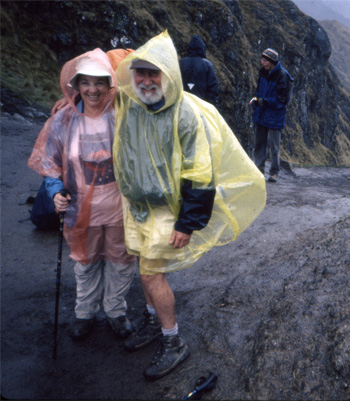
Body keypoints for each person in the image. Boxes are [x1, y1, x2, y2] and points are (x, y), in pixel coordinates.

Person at [112, 31, 266, 381]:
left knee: (152, 274)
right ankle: (152, 321)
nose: (148, 80)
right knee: (144, 268)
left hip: (167, 210)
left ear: (168, 74)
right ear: (133, 75)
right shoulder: (130, 104)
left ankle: (173, 340)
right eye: (141, 73)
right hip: (136, 207)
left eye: (155, 73)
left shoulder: (183, 115)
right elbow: (98, 75)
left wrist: (187, 222)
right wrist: (70, 101)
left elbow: (200, 171)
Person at [28, 49, 137, 341]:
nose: (93, 89)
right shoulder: (63, 120)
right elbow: (49, 164)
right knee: (86, 263)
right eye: (85, 83)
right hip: (80, 210)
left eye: (99, 82)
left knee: (120, 261)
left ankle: (116, 312)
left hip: (119, 209)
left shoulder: (122, 114)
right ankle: (84, 313)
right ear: (76, 85)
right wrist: (55, 193)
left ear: (109, 84)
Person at [250, 48, 293, 183]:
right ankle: (259, 170)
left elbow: (283, 100)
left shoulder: (282, 75)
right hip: (261, 113)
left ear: (271, 62)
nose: (261, 63)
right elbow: (259, 91)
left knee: (274, 146)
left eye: (264, 60)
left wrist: (264, 102)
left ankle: (274, 173)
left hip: (275, 116)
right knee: (259, 143)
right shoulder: (263, 72)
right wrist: (256, 102)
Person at [179, 35, 219, 107]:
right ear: (202, 48)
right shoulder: (208, 65)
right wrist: (212, 107)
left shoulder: (180, 63)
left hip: (183, 106)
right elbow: (213, 89)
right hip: (201, 107)